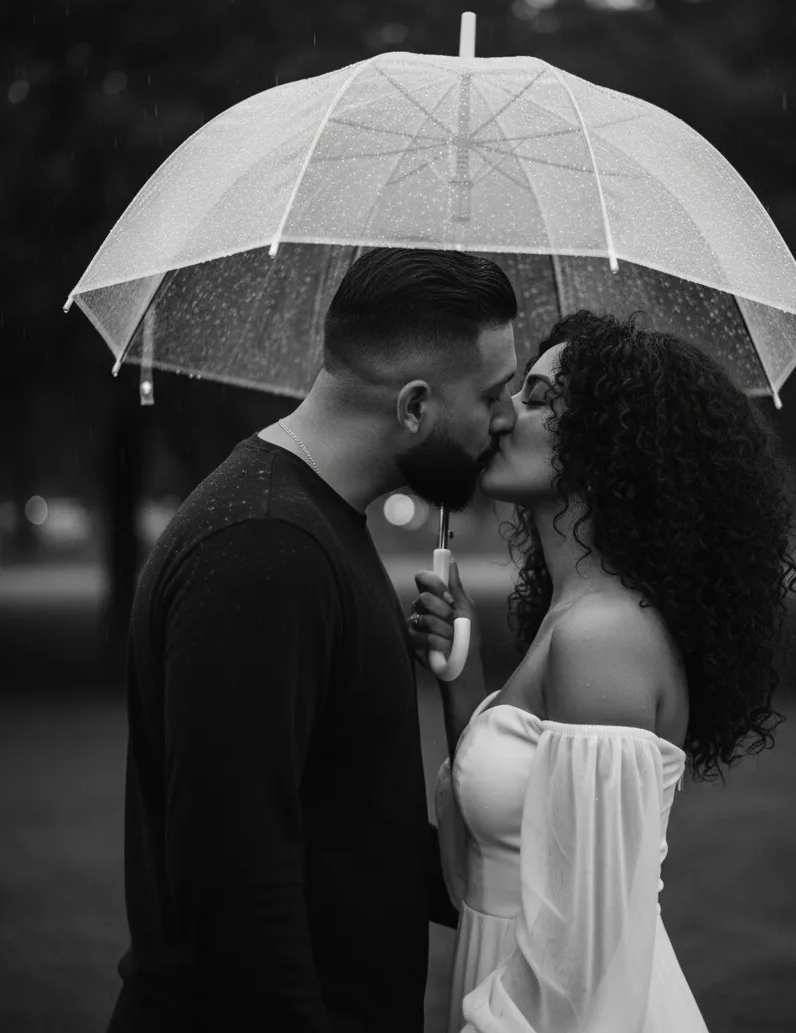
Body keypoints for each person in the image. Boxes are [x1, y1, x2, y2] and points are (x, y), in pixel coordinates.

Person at [106, 247, 519, 1033]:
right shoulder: (264, 545)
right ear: (414, 407)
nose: (502, 420)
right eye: (493, 393)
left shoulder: (314, 526)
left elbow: (354, 835)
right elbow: (236, 885)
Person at [410, 310, 796, 1033]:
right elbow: (522, 830)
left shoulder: (604, 638)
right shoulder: (579, 618)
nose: (501, 416)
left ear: (612, 443)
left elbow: (573, 964)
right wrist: (461, 671)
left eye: (538, 399)